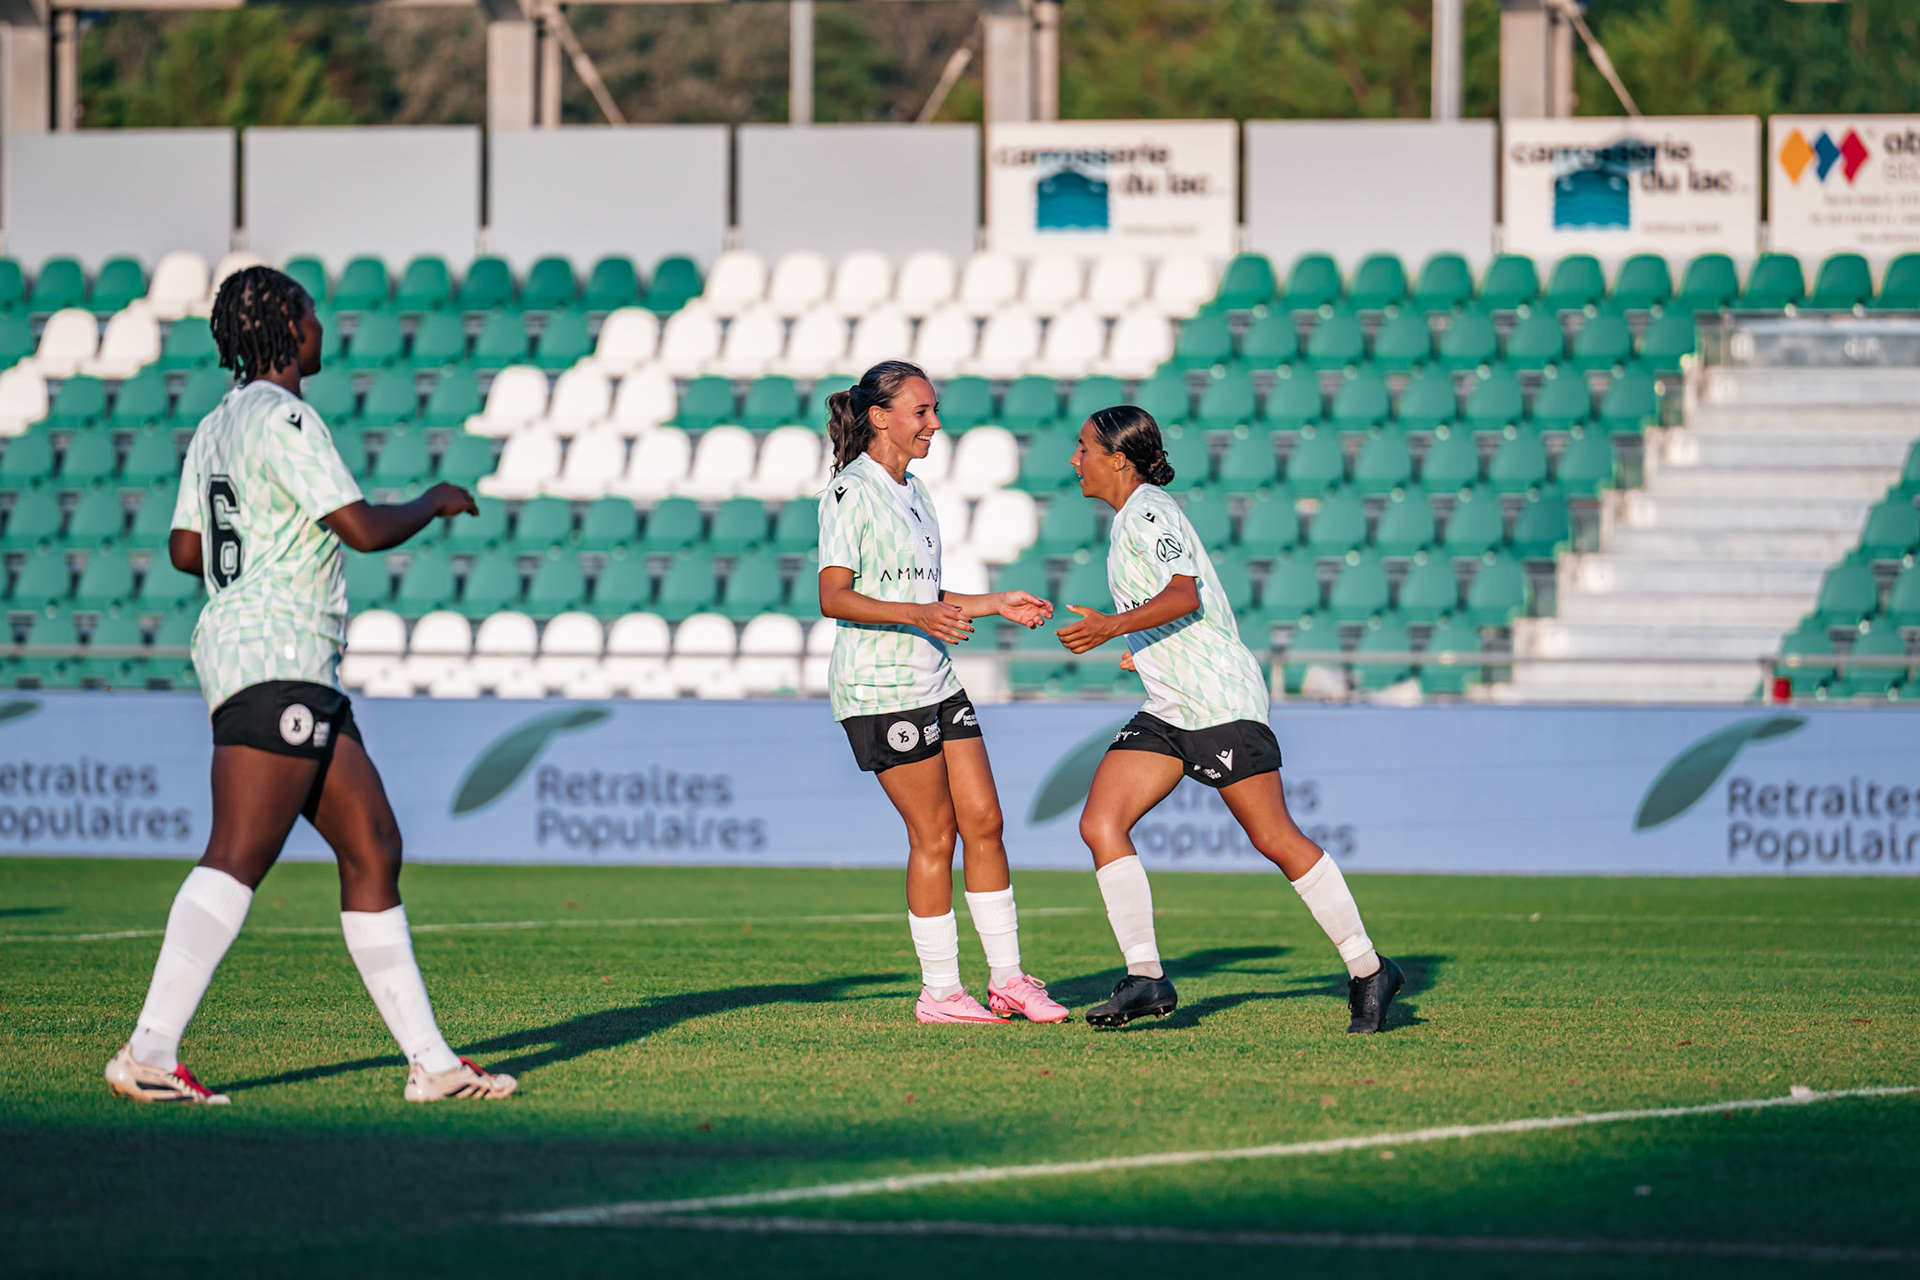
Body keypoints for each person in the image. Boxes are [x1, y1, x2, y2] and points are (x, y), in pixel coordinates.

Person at [104, 266, 516, 1104]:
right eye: (312, 313)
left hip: (263, 657)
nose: (320, 327)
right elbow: (359, 529)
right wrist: (434, 499)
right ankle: (148, 1049)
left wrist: (258, 537)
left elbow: (188, 550)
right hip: (278, 654)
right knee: (238, 855)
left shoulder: (217, 425)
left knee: (374, 847)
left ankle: (433, 1066)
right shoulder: (285, 414)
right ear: (289, 328)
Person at [1055, 406, 1402, 1033]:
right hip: (1170, 706)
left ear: (1118, 458)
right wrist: (1147, 651)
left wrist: (1111, 626)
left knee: (1274, 837)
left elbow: (1183, 593)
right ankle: (1146, 978)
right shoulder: (1132, 518)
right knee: (1100, 822)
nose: (1074, 460)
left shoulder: (1151, 510)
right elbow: (1181, 611)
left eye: (1082, 448)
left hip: (1218, 703)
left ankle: (1369, 968)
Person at [818, 361, 1069, 1025]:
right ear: (880, 417)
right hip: (882, 687)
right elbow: (833, 596)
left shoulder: (916, 491)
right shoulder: (851, 493)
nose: (935, 423)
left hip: (934, 675)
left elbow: (920, 596)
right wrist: (918, 616)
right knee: (934, 836)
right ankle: (940, 994)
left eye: (933, 411)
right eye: (922, 412)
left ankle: (1010, 980)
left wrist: (995, 603)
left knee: (984, 820)